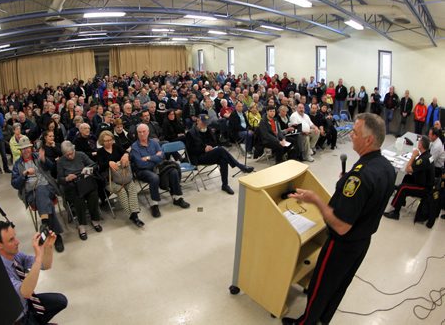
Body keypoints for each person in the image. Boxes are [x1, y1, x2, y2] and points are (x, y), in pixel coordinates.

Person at [282, 113, 396, 325]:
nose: (351, 135)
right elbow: (369, 199)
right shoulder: (385, 167)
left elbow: (341, 226)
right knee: (339, 285)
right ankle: (323, 319)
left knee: (320, 285)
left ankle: (306, 322)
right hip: (362, 241)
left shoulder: (360, 176)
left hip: (342, 244)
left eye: (355, 132)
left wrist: (315, 199)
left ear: (369, 140)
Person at [0, 221, 67, 325]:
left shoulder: (15, 255)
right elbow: (25, 292)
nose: (17, 242)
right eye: (11, 240)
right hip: (18, 318)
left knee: (61, 301)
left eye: (15, 237)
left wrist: (48, 247)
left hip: (28, 304)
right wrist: (39, 257)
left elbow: (46, 265)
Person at [11, 135, 64, 252]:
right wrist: (24, 174)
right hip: (31, 194)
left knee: (41, 190)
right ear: (20, 150)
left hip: (47, 188)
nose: (26, 150)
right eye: (23, 149)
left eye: (28, 148)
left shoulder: (38, 157)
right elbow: (14, 184)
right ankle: (55, 234)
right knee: (46, 203)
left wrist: (44, 160)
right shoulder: (17, 165)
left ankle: (45, 225)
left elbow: (52, 168)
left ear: (31, 148)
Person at [130, 124, 190, 218]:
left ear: (148, 132)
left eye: (144, 131)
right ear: (137, 133)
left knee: (173, 171)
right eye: (139, 132)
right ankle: (155, 204)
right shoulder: (135, 147)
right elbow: (140, 164)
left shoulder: (154, 143)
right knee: (154, 177)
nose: (142, 134)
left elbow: (161, 157)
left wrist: (149, 157)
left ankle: (177, 198)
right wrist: (155, 158)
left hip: (158, 167)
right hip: (143, 171)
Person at [186, 115, 254, 195]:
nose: (205, 125)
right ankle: (240, 166)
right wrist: (204, 149)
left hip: (209, 154)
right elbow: (190, 150)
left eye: (206, 123)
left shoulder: (207, 130)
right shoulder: (190, 133)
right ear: (197, 121)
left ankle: (225, 185)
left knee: (223, 159)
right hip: (198, 157)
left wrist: (209, 146)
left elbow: (215, 142)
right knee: (221, 150)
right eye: (203, 123)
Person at [97, 130, 144, 228]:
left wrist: (126, 155)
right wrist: (108, 163)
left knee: (132, 188)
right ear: (102, 141)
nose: (109, 142)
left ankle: (134, 214)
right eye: (106, 141)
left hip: (123, 176)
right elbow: (100, 167)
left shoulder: (116, 147)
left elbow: (126, 152)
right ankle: (133, 216)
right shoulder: (100, 152)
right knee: (121, 191)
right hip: (110, 180)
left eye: (110, 140)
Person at [57, 140, 102, 240]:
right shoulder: (60, 161)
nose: (70, 156)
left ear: (74, 150)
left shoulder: (81, 155)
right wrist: (67, 178)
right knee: (79, 200)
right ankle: (81, 226)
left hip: (85, 182)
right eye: (67, 155)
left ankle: (95, 220)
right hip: (72, 186)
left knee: (93, 195)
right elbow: (59, 179)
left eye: (71, 153)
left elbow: (94, 165)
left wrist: (86, 170)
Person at [384, 136, 434, 220]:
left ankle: (395, 212)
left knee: (403, 187)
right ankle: (401, 200)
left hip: (424, 188)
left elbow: (408, 169)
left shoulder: (423, 160)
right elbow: (411, 171)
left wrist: (413, 156)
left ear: (421, 145)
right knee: (407, 177)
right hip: (426, 183)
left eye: (419, 142)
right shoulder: (427, 155)